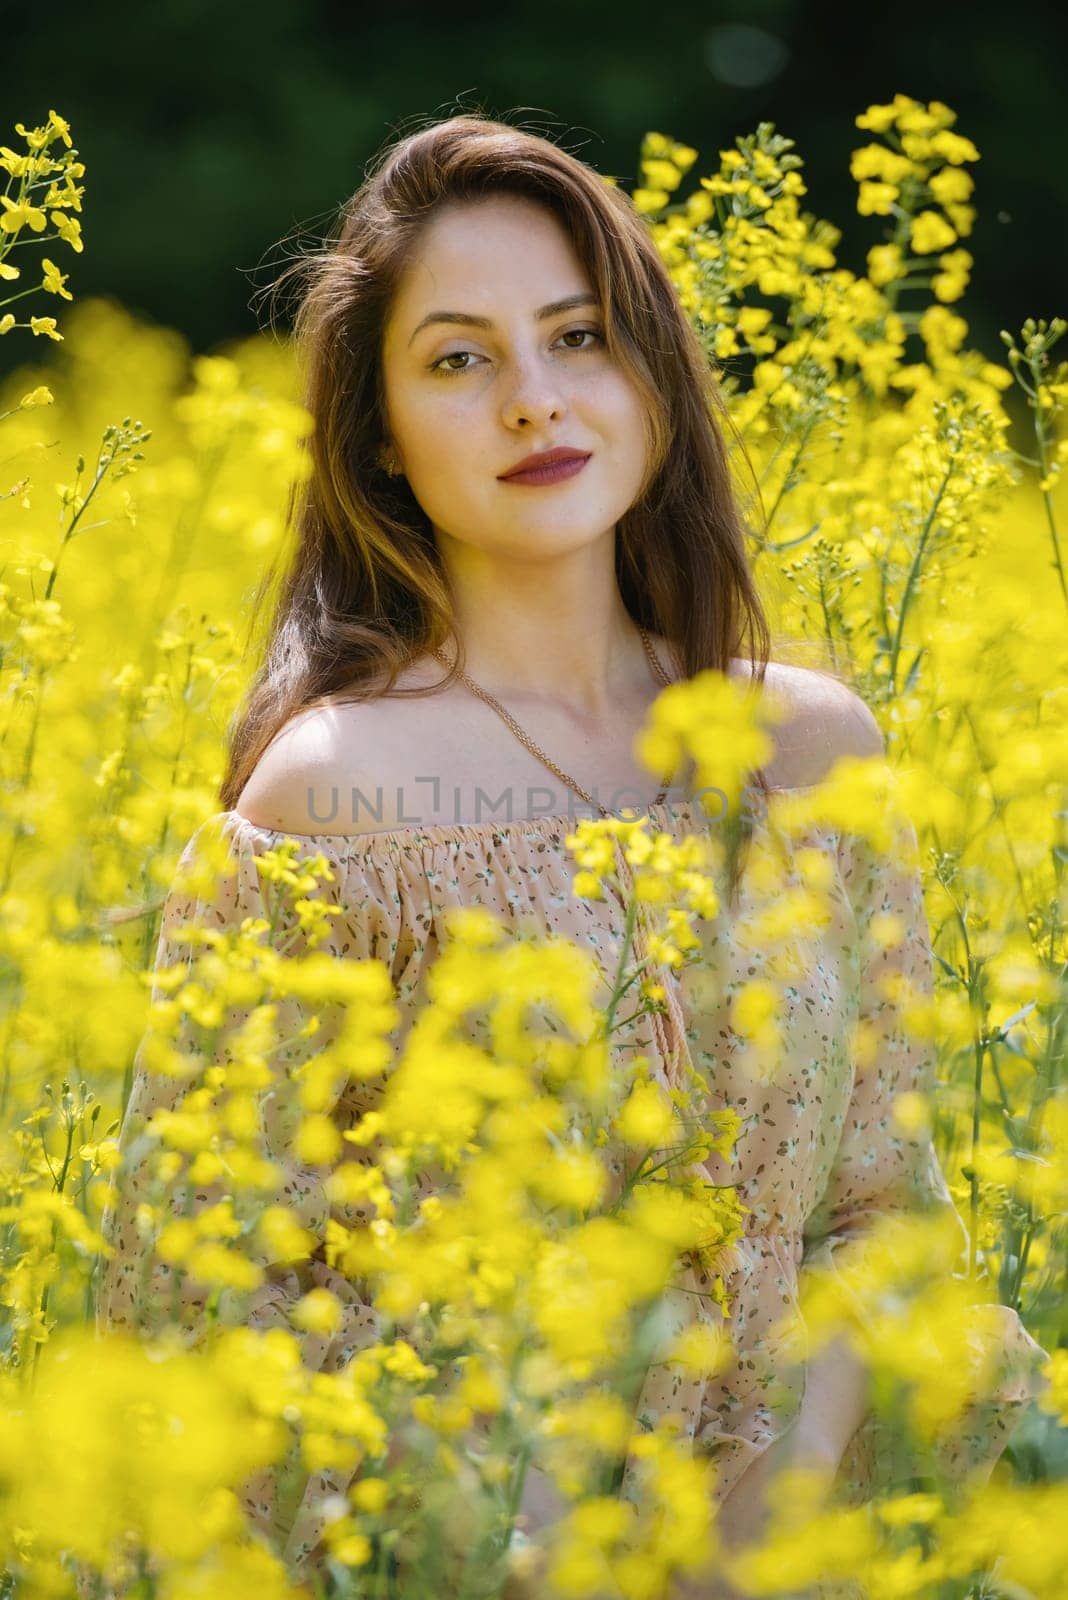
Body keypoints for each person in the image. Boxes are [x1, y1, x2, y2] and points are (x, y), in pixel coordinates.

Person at [97, 112, 1050, 1596]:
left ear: (650, 375)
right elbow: (194, 1314)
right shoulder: (329, 796)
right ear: (383, 441)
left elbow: (879, 1218)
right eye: (459, 360)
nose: (533, 400)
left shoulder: (812, 755)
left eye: (579, 336)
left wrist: (742, 1531)